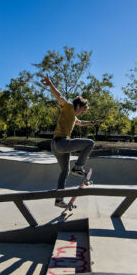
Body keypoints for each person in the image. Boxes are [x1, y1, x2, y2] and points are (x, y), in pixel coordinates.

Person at [40, 74, 101, 208]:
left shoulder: (73, 117)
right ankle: (78, 167)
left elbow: (80, 123)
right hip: (62, 143)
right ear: (78, 105)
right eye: (83, 109)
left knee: (64, 172)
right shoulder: (68, 106)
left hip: (55, 146)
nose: (82, 113)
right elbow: (59, 97)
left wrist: (92, 123)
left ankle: (59, 200)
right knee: (90, 143)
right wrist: (50, 84)